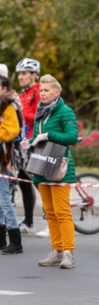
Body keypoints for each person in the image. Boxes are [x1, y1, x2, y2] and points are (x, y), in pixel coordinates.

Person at [21, 74, 79, 269]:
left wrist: (48, 134)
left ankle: (68, 253)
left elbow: (72, 137)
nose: (42, 94)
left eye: (46, 90)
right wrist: (29, 143)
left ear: (56, 92)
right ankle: (57, 251)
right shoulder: (41, 112)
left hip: (60, 167)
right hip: (41, 166)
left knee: (62, 213)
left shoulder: (65, 112)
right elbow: (38, 138)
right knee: (50, 213)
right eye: (41, 90)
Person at [15, 58, 41, 235]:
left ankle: (51, 221)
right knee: (24, 183)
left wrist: (21, 113)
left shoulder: (39, 91)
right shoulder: (22, 94)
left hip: (37, 142)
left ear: (33, 75)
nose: (20, 77)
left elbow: (40, 115)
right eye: (19, 74)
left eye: (24, 73)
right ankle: (29, 221)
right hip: (23, 144)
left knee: (41, 184)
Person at [0, 75, 23, 255]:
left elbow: (11, 131)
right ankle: (1, 239)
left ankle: (16, 241)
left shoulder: (8, 106)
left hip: (4, 159)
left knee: (5, 200)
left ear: (4, 89)